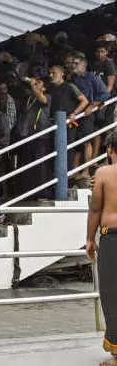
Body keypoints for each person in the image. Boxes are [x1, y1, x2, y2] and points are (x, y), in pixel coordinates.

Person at [87, 131, 117, 365]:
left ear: (109, 149)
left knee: (112, 295)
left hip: (112, 238)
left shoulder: (103, 173)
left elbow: (96, 209)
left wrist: (90, 239)